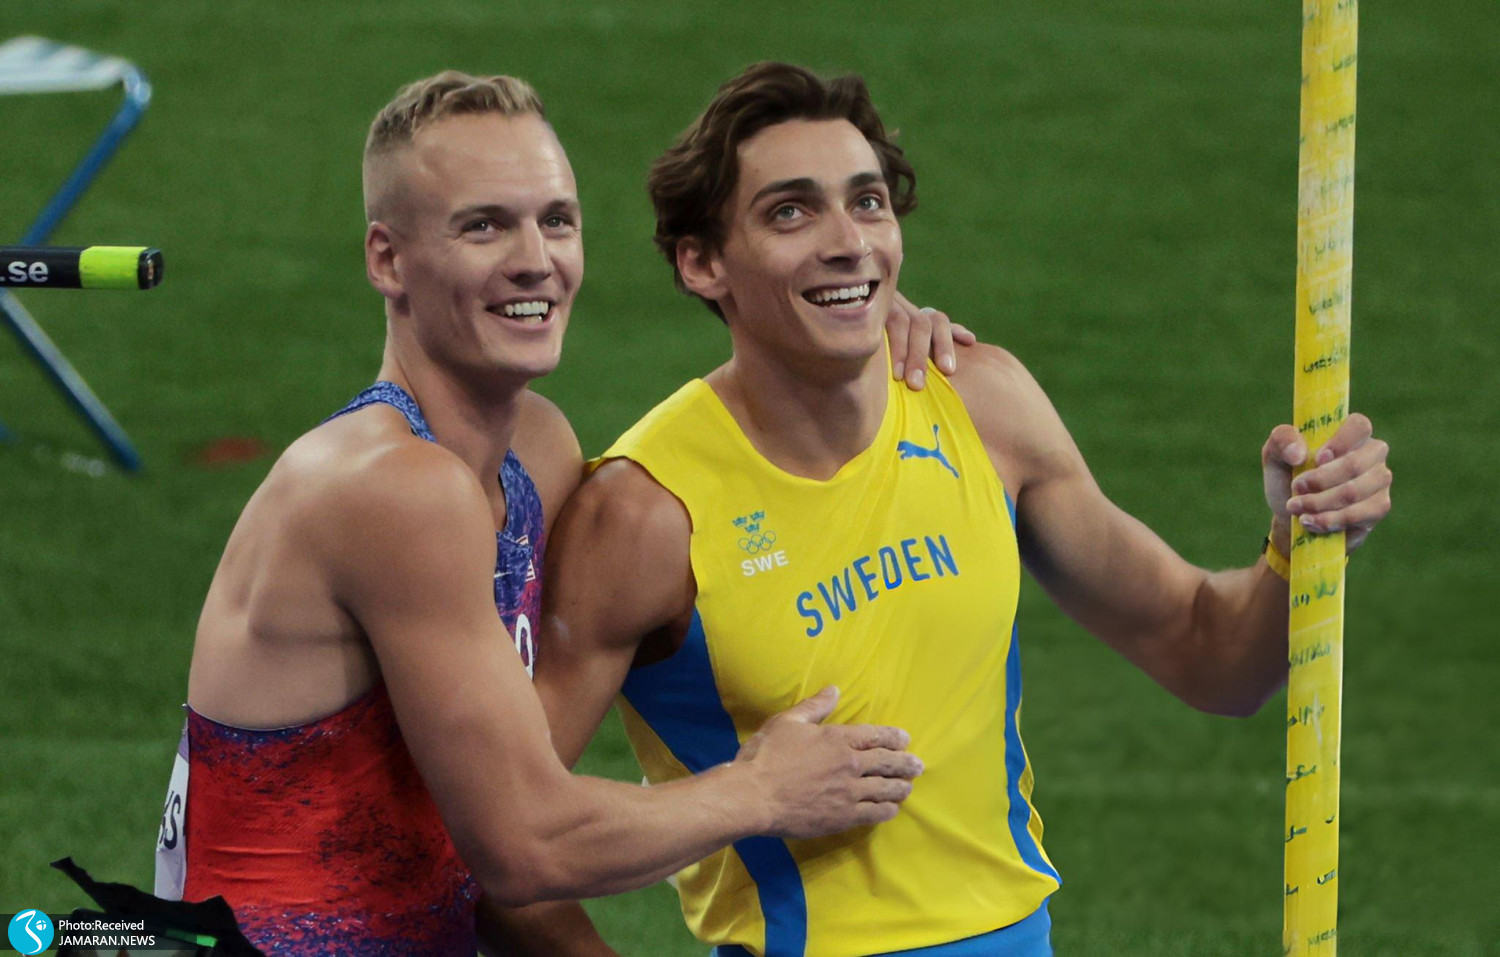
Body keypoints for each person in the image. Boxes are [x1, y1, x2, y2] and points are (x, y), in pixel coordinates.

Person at [505, 62, 1393, 957]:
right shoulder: (646, 515)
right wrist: (745, 796)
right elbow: (500, 839)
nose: (849, 242)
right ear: (703, 262)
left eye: (867, 203)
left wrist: (1296, 546)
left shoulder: (982, 405)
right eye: (791, 212)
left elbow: (1211, 655)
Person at [153, 71, 970, 956]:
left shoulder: (536, 452)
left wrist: (860, 322)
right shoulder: (392, 487)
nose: (534, 260)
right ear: (387, 260)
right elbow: (523, 844)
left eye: (556, 220)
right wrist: (761, 791)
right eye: (483, 226)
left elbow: (481, 832)